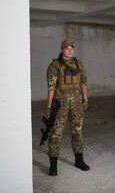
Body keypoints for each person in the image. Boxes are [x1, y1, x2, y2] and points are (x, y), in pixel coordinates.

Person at [45, 39, 90, 176]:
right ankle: (53, 166)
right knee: (56, 133)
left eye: (72, 48)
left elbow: (83, 82)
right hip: (60, 103)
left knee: (77, 131)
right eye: (67, 48)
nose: (70, 50)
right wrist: (48, 106)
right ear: (61, 50)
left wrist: (85, 98)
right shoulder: (54, 66)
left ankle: (79, 160)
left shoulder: (78, 64)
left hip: (76, 103)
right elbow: (51, 87)